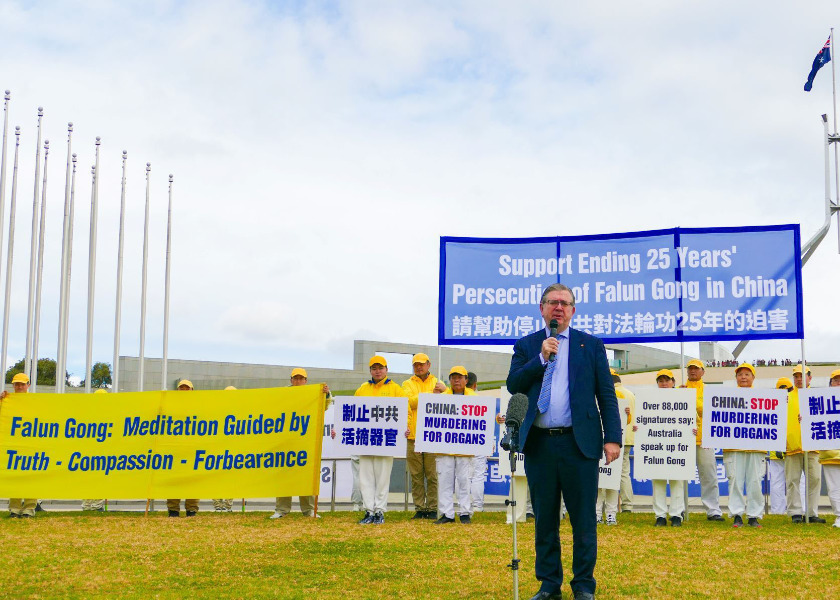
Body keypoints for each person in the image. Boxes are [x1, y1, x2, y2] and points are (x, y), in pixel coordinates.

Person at [506, 283, 621, 600]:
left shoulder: (591, 345)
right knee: (544, 518)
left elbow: (606, 396)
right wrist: (541, 358)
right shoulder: (528, 345)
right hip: (540, 444)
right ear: (541, 308)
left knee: (583, 518)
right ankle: (549, 583)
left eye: (565, 303)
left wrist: (613, 438)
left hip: (579, 444)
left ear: (573, 310)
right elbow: (513, 384)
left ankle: (584, 585)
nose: (558, 308)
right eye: (552, 302)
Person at [272, 369, 331, 519]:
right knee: (285, 477)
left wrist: (326, 393)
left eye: (301, 378)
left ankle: (309, 510)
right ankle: (281, 509)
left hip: (306, 442)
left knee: (306, 476)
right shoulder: (283, 394)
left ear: (306, 380)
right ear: (291, 380)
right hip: (287, 441)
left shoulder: (313, 394)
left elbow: (324, 406)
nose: (298, 381)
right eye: (295, 378)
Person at [354, 356, 407, 525]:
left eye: (380, 368)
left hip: (386, 440)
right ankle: (368, 510)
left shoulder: (396, 389)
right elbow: (350, 413)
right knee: (365, 477)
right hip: (366, 440)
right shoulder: (362, 389)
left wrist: (406, 428)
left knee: (383, 477)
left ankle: (379, 511)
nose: (377, 371)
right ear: (370, 370)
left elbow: (405, 411)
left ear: (386, 369)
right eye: (374, 368)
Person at [401, 353, 446, 520]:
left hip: (433, 436)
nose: (418, 367)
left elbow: (447, 402)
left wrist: (443, 392)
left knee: (432, 474)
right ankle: (420, 508)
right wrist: (430, 398)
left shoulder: (438, 383)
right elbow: (407, 401)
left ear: (429, 364)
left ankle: (433, 507)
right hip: (413, 436)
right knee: (416, 475)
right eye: (415, 365)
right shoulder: (407, 383)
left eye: (421, 364)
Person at [434, 366, 477, 525]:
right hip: (445, 448)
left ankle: (465, 512)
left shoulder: (474, 397)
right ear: (450, 380)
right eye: (453, 377)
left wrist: (497, 418)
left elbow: (484, 418)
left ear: (466, 380)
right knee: (445, 481)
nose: (457, 380)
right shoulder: (440, 397)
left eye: (460, 377)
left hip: (465, 449)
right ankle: (447, 513)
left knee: (464, 481)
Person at [723, 364, 764, 528]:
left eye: (747, 374)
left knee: (755, 481)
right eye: (740, 374)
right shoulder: (726, 397)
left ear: (753, 377)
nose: (743, 377)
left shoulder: (763, 397)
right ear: (736, 378)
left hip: (756, 446)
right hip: (733, 446)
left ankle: (754, 515)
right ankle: (737, 514)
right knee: (735, 481)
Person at [683, 359, 724, 521]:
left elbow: (713, 412)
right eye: (690, 369)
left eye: (696, 369)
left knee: (709, 475)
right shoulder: (680, 389)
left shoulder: (709, 391)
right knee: (680, 476)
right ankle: (679, 509)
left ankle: (713, 510)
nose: (693, 371)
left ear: (703, 372)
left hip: (704, 439)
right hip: (682, 440)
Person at [785, 365, 825, 524]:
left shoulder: (818, 396)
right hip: (792, 445)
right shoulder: (786, 397)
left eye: (802, 375)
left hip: (813, 445)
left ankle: (812, 512)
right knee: (793, 480)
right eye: (796, 376)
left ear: (810, 377)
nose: (799, 379)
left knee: (814, 480)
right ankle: (795, 512)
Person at [650, 369, 686, 527]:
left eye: (667, 380)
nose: (664, 383)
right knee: (658, 480)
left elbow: (693, 419)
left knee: (677, 480)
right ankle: (660, 515)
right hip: (657, 445)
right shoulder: (650, 400)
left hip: (677, 444)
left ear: (673, 382)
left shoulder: (682, 397)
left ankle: (677, 514)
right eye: (661, 380)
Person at [2, 373, 37, 518]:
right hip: (14, 443)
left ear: (28, 385)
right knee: (15, 475)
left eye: (22, 384)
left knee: (31, 476)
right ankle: (14, 508)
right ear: (13, 385)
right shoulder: (7, 399)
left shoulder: (35, 401)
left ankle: (29, 508)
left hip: (31, 443)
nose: (19, 387)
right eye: (17, 384)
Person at [167, 379, 200, 517]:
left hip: (193, 447)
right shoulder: (170, 405)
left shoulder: (199, 405)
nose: (184, 390)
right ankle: (173, 509)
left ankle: (191, 509)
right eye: (182, 388)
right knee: (174, 479)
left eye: (187, 388)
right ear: (177, 390)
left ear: (192, 390)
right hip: (175, 447)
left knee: (192, 479)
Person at [595, 383, 626, 526]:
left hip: (612, 442)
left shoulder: (620, 397)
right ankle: (596, 513)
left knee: (612, 482)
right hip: (596, 440)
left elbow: (625, 421)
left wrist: (628, 414)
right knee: (598, 482)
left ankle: (611, 513)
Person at [767, 377, 794, 515]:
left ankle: (777, 511)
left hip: (776, 449)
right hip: (792, 449)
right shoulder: (796, 402)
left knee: (777, 482)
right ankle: (800, 509)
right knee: (796, 482)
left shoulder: (772, 404)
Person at [82, 388, 111, 512]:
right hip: (92, 452)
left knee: (95, 479)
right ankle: (91, 506)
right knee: (92, 479)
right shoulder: (91, 414)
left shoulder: (105, 414)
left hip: (98, 452)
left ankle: (93, 505)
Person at [611, 369, 635, 514]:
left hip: (612, 438)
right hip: (628, 438)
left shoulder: (607, 393)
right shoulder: (630, 394)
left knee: (607, 472)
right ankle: (627, 505)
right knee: (624, 473)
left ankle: (609, 504)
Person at [819, 369, 840, 527]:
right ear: (830, 383)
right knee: (834, 488)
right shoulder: (820, 401)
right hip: (830, 453)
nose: (838, 382)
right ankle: (839, 516)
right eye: (835, 380)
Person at [467, 371, 488, 513]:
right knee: (478, 475)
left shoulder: (456, 398)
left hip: (462, 442)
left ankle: (465, 505)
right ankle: (477, 506)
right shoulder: (480, 400)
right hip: (479, 441)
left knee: (465, 475)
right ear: (475, 385)